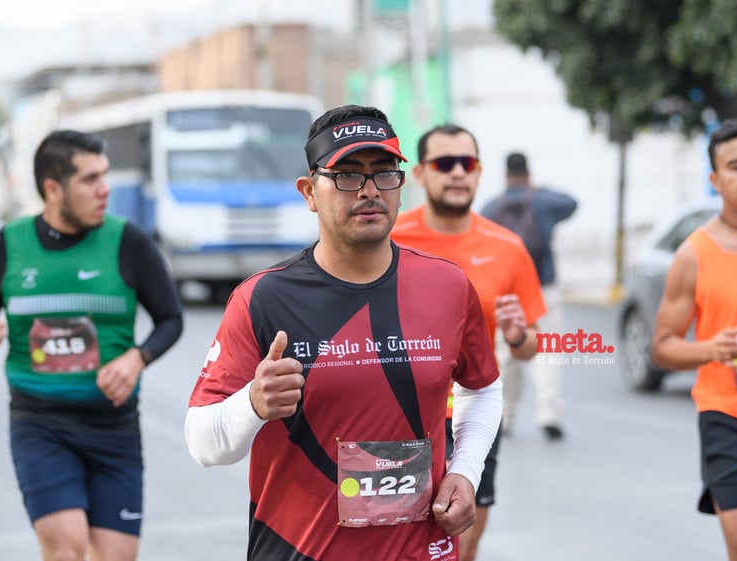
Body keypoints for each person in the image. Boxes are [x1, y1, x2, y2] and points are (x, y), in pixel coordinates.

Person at [185, 105, 503, 561]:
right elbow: (202, 443)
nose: (370, 190)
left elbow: (484, 388)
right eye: (348, 175)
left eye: (384, 172)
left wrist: (466, 471)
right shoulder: (262, 299)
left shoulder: (448, 286)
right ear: (309, 192)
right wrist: (253, 405)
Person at [0, 130, 184, 561]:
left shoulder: (130, 243)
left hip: (113, 428)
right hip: (40, 424)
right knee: (66, 549)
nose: (105, 189)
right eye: (90, 179)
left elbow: (171, 319)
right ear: (52, 188)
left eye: (104, 176)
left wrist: (137, 358)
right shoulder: (7, 246)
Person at [391, 124, 545, 561]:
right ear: (420, 174)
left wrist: (518, 336)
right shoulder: (389, 239)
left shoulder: (508, 247)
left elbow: (528, 346)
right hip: (400, 415)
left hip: (473, 417)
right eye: (444, 163)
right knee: (392, 538)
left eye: (468, 164)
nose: (458, 173)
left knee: (460, 545)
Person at [651, 117, 737, 561]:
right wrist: (710, 350)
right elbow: (663, 345)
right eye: (736, 165)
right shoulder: (694, 254)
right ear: (715, 179)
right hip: (731, 421)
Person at [481, 151, 577, 440]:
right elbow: (572, 203)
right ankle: (548, 413)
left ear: (505, 175)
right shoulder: (543, 201)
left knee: (505, 353)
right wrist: (539, 189)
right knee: (546, 349)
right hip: (542, 286)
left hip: (505, 291)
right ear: (528, 173)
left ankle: (506, 415)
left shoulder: (492, 207)